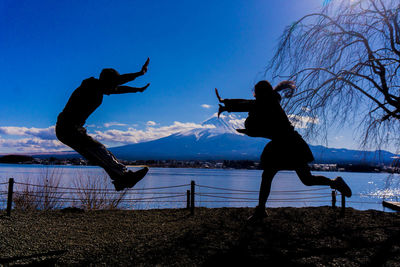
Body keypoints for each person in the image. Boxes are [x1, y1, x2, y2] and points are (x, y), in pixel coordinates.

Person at [215, 80, 352, 220]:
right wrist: (229, 108)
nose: (255, 96)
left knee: (304, 179)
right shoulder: (268, 103)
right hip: (285, 144)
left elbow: (249, 105)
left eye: (256, 93)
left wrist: (226, 103)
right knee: (276, 176)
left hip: (289, 145)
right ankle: (261, 210)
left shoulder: (268, 104)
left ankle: (335, 182)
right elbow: (266, 127)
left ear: (260, 93)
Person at [56, 58, 151, 191]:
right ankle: (124, 176)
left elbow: (118, 89)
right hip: (68, 128)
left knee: (98, 157)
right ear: (107, 82)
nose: (112, 89)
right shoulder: (91, 86)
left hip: (70, 129)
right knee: (99, 149)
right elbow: (117, 84)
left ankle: (120, 180)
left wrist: (137, 90)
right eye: (112, 84)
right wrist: (138, 74)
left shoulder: (97, 88)